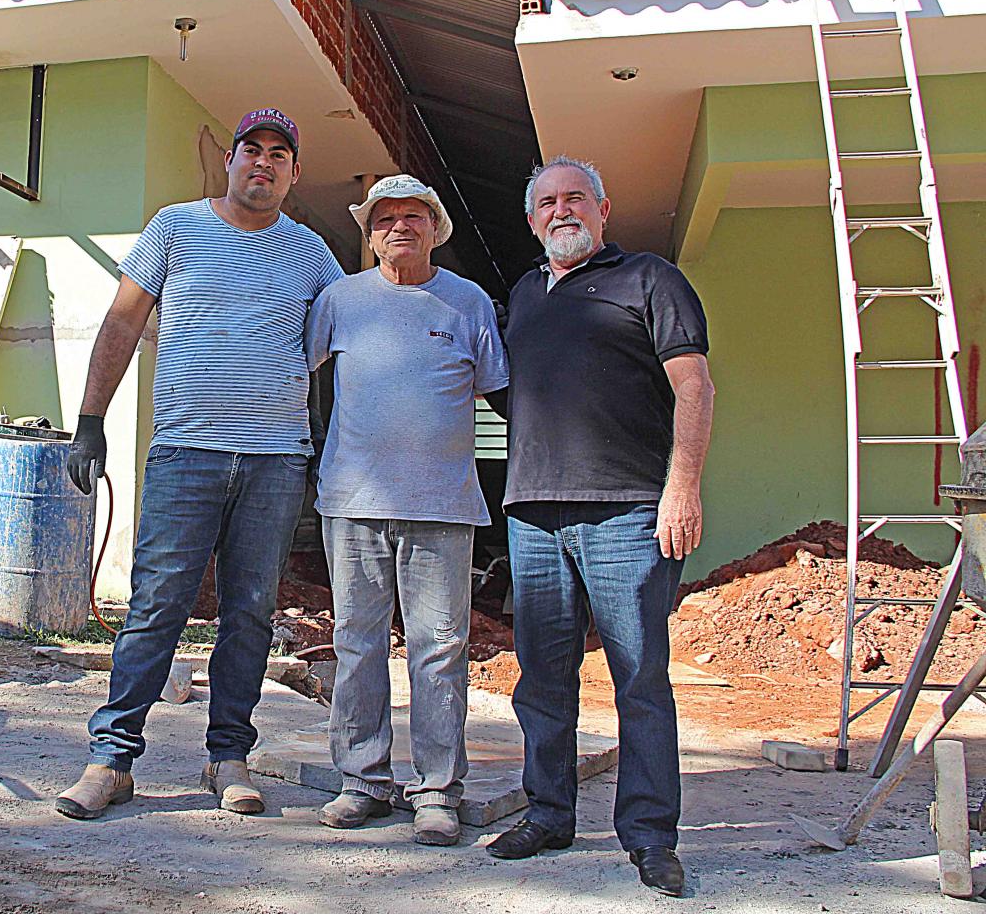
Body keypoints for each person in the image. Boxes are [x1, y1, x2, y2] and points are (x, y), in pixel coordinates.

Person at [54, 108, 345, 820]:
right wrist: (90, 422)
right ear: (232, 159)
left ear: (294, 172)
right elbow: (123, 321)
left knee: (249, 614)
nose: (264, 163)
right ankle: (111, 759)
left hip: (277, 462)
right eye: (253, 149)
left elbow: (343, 342)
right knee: (157, 607)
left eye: (281, 153)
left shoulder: (312, 255)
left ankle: (229, 759)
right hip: (186, 454)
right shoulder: (175, 227)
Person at [485, 155, 714, 897]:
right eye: (547, 202)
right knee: (542, 680)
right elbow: (513, 396)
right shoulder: (521, 294)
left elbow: (694, 386)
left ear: (603, 208)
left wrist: (683, 486)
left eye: (576, 196)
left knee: (639, 679)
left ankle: (649, 836)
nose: (562, 210)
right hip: (535, 518)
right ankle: (549, 813)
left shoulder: (649, 280)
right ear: (531, 220)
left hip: (629, 512)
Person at [305, 174, 508, 847]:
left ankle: (437, 790)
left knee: (440, 649)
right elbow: (298, 379)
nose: (399, 226)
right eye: (385, 217)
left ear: (435, 228)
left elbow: (502, 395)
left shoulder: (468, 303)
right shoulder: (339, 300)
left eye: (414, 216)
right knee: (357, 644)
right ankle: (361, 780)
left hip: (443, 506)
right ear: (369, 235)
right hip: (353, 503)